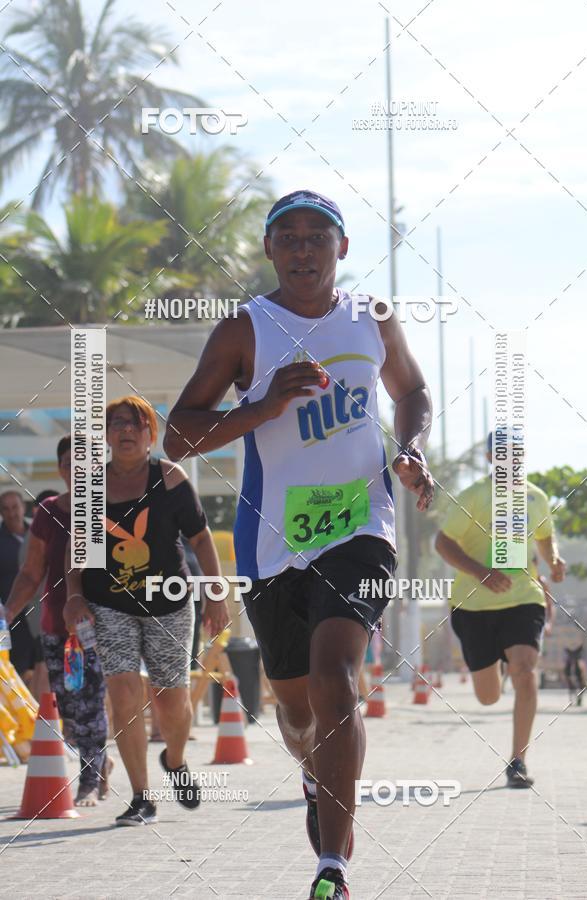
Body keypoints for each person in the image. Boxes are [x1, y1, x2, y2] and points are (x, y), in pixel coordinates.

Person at [164, 190, 434, 899]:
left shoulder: (372, 316)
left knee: (335, 677)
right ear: (269, 250)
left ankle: (332, 868)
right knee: (295, 711)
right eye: (289, 237)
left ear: (342, 248)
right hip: (271, 541)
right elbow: (178, 435)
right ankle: (314, 771)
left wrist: (409, 449)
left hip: (361, 527)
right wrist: (264, 405)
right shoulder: (243, 328)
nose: (304, 249)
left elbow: (412, 391)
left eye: (319, 236)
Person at [65, 395, 228, 826]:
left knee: (171, 699)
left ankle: (174, 759)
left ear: (150, 435)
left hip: (169, 603)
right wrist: (74, 595)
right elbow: (78, 549)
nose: (126, 430)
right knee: (123, 692)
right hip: (109, 603)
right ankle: (142, 797)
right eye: (118, 423)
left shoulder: (170, 478)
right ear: (107, 434)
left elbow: (201, 538)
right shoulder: (91, 487)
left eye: (136, 424)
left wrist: (216, 593)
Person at [435, 431, 566, 789]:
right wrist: (481, 572)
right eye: (503, 453)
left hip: (523, 597)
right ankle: (500, 662)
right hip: (473, 605)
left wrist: (553, 560)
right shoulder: (474, 497)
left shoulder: (536, 497)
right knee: (488, 696)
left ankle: (517, 761)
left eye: (517, 453)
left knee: (525, 670)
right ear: (491, 458)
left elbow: (545, 537)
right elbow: (443, 543)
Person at [4, 438, 109, 806]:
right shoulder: (48, 512)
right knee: (67, 706)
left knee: (90, 702)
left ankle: (89, 780)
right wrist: (8, 612)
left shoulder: (109, 506)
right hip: (56, 626)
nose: (75, 469)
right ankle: (99, 762)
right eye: (68, 462)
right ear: (60, 468)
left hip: (101, 623)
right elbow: (31, 572)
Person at [18, 490, 58, 700]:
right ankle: (42, 714)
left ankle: (39, 712)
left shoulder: (37, 534)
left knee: (42, 662)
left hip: (43, 608)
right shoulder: (36, 537)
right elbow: (32, 575)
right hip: (42, 609)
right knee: (44, 663)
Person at [0, 490, 37, 684]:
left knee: (43, 667)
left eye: (15, 507)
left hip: (40, 614)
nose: (11, 513)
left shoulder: (38, 533)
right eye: (6, 509)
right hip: (12, 618)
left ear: (24, 507)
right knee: (18, 671)